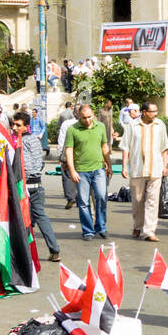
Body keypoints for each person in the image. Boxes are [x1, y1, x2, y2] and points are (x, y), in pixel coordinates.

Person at [11, 111, 61, 263]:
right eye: (13, 124)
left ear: (26, 127)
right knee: (39, 217)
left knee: (22, 220)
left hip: (25, 186)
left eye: (18, 125)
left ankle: (22, 254)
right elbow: (40, 163)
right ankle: (54, 250)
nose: (14, 127)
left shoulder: (22, 142)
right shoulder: (34, 141)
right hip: (37, 185)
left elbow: (26, 165)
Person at [121, 101, 168, 242]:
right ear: (143, 112)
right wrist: (124, 166)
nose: (154, 114)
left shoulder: (160, 125)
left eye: (156, 111)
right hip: (137, 169)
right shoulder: (132, 126)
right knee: (137, 200)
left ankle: (149, 231)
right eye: (151, 111)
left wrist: (165, 165)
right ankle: (137, 226)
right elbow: (126, 147)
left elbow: (164, 147)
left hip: (155, 168)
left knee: (153, 201)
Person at [65, 103, 112, 241]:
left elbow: (104, 147)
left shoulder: (100, 127)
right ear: (79, 116)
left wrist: (108, 164)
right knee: (84, 202)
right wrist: (72, 170)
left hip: (98, 169)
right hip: (81, 171)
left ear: (94, 115)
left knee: (101, 197)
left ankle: (101, 227)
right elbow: (69, 150)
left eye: (90, 117)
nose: (87, 120)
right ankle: (88, 231)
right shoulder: (72, 129)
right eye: (84, 118)